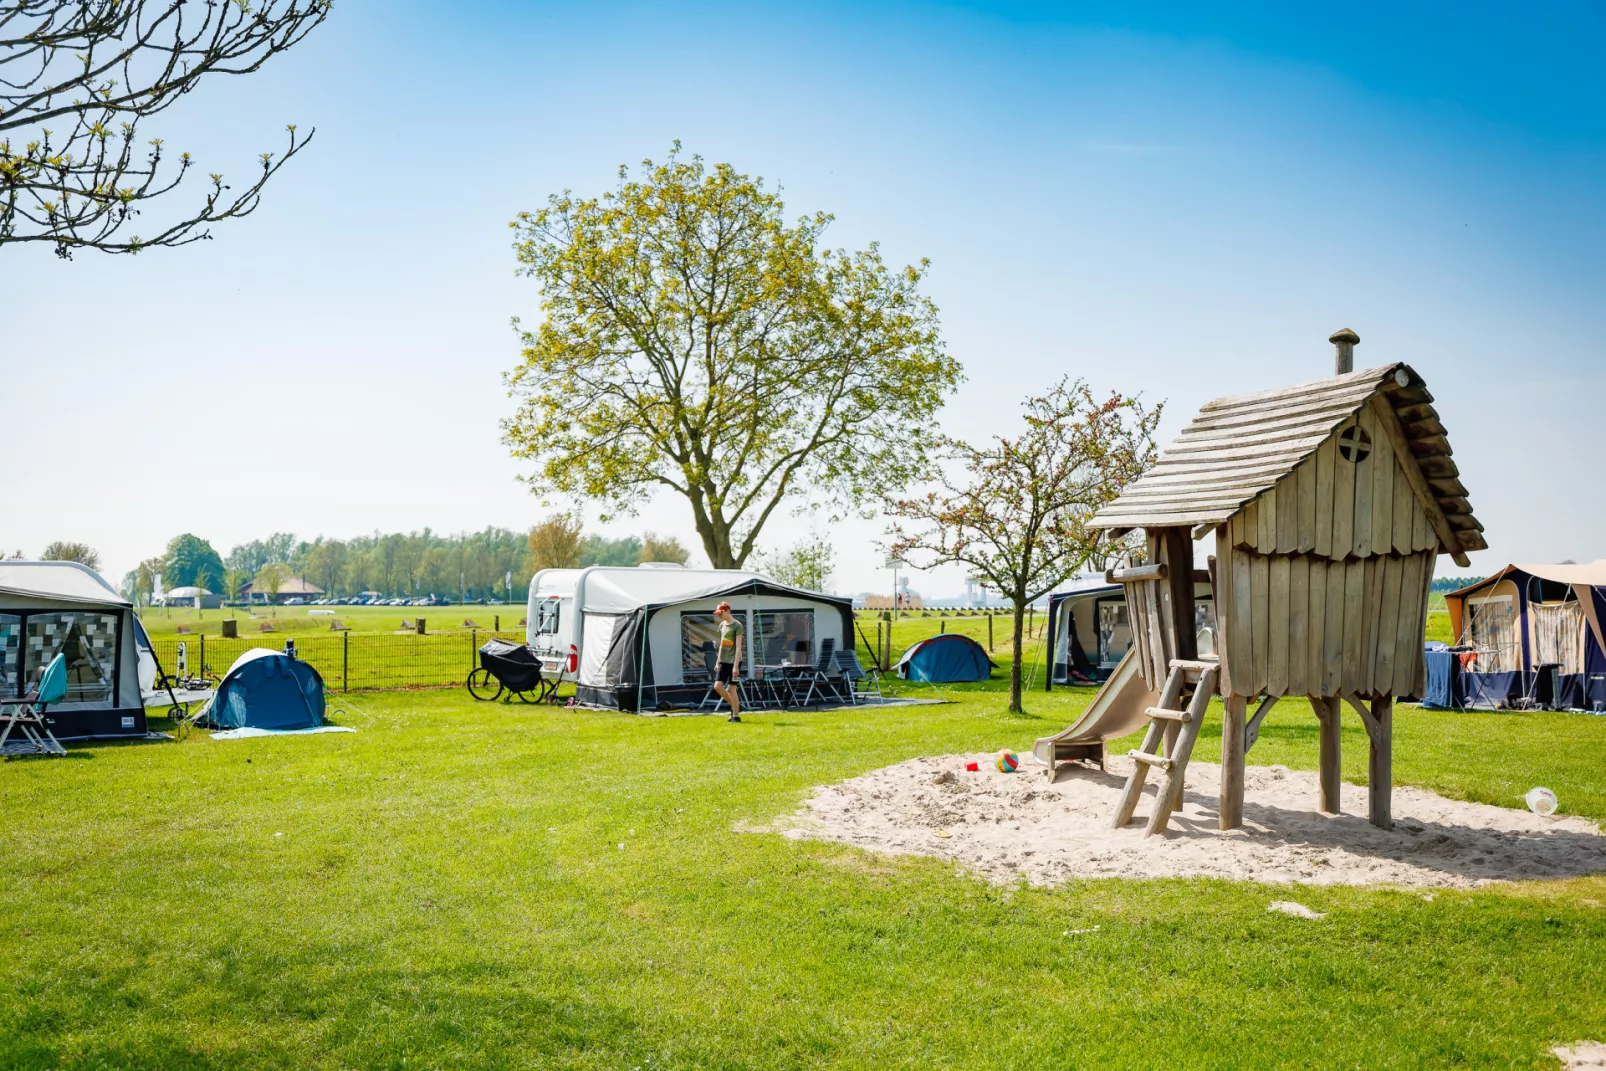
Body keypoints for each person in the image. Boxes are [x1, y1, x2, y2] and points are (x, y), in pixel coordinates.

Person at [712, 602, 744, 723]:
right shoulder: (721, 625)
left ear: (727, 611)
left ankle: (735, 715)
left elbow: (738, 647)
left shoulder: (737, 626)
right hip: (723, 661)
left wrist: (736, 666)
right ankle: (735, 705)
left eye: (720, 613)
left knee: (731, 689)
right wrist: (717, 661)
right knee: (718, 686)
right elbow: (721, 645)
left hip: (735, 661)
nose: (719, 616)